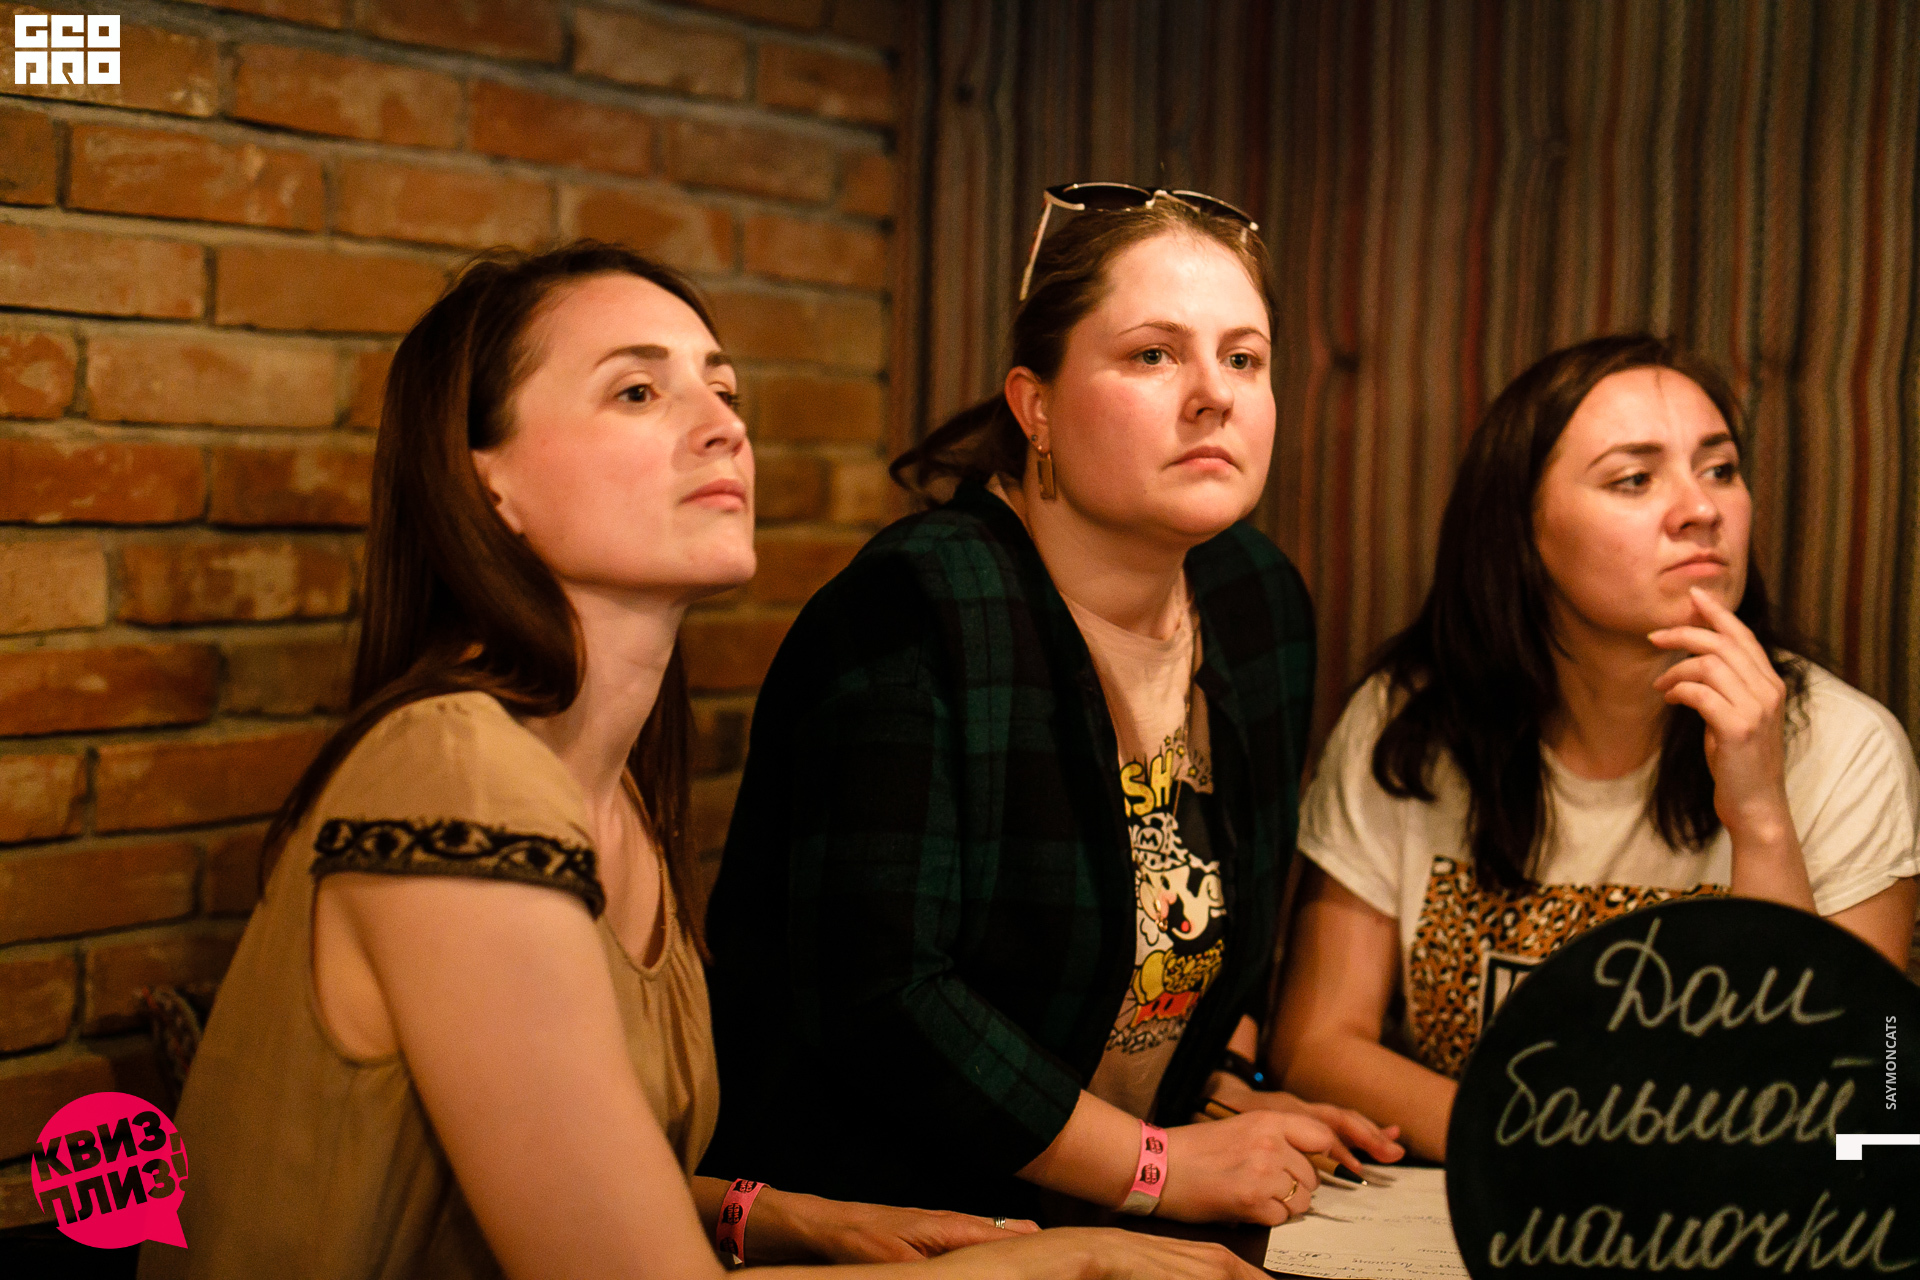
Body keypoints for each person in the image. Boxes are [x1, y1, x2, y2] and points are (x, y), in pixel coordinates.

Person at [139, 241, 1270, 1280]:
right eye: (639, 391)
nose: (723, 425)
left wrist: (774, 1215)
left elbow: (544, 1162)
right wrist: (1054, 1263)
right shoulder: (459, 777)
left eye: (723, 390)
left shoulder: (610, 790)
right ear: (489, 481)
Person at [702, 185, 1404, 1231]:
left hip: (1114, 1202)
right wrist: (1159, 1163)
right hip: (901, 1217)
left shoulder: (1257, 600)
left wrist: (1221, 1089)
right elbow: (880, 996)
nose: (1213, 396)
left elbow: (1212, 930)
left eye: (1244, 358)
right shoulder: (918, 608)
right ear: (1035, 406)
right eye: (1153, 354)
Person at [1270, 334, 1920, 1161]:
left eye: (1720, 469)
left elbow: (1851, 1115)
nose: (1701, 509)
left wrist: (1760, 819)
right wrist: (1552, 1157)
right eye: (1635, 480)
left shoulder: (1844, 746)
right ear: (1521, 531)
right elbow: (1316, 1044)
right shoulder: (1412, 725)